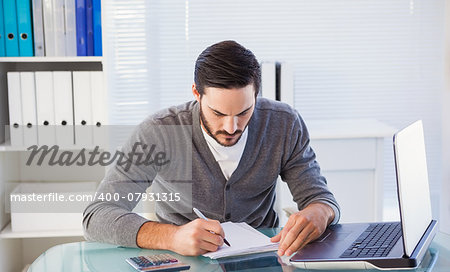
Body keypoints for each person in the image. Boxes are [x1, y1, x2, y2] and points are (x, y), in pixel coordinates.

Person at [83, 40, 340, 257]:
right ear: (197, 93)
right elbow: (97, 216)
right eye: (218, 113)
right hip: (182, 268)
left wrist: (320, 212)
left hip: (261, 265)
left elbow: (320, 199)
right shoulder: (158, 132)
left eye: (244, 112)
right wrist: (171, 237)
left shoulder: (284, 124)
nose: (231, 127)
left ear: (257, 95)